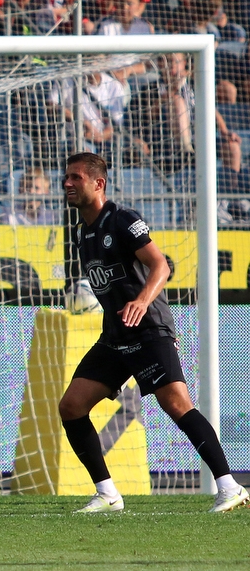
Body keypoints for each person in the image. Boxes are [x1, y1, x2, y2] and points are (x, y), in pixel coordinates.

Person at [59, 152, 250, 513]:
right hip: (116, 336)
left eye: (76, 178)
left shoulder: (123, 220)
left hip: (149, 330)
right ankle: (108, 494)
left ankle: (229, 486)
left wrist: (142, 301)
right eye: (66, 177)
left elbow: (160, 264)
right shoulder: (82, 233)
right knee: (71, 406)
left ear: (98, 183)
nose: (67, 183)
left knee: (176, 404)